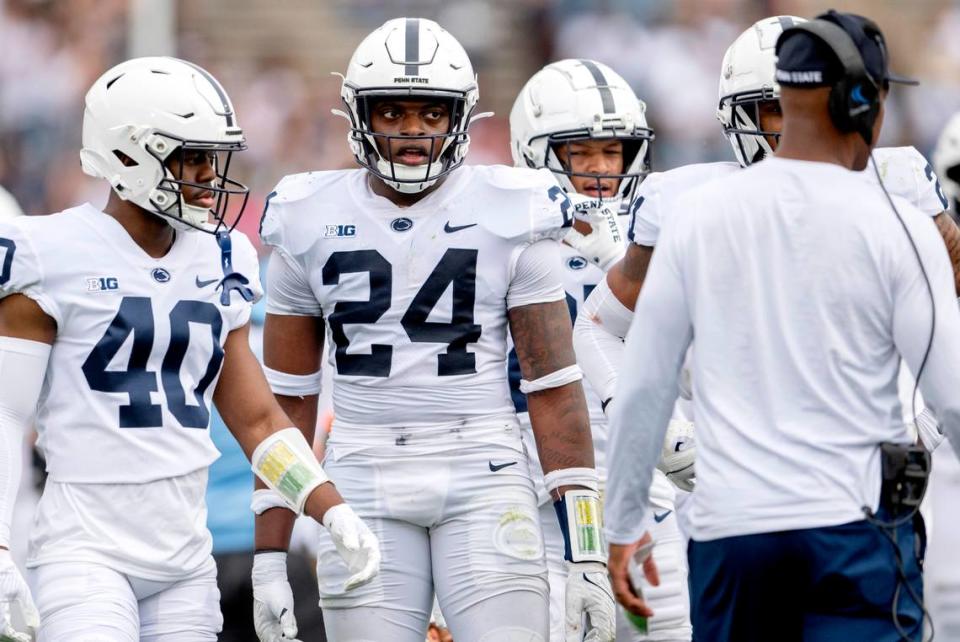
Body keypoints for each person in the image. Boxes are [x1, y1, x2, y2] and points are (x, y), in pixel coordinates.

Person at [256, 18, 620, 642]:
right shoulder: (304, 217)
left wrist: (585, 550)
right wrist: (269, 555)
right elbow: (286, 403)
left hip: (483, 466)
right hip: (360, 475)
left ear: (462, 117)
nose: (413, 131)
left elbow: (554, 387)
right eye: (392, 113)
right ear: (358, 116)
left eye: (431, 113)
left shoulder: (515, 208)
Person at [603, 10, 960, 641]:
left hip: (731, 529)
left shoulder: (693, 215)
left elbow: (643, 386)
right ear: (859, 103)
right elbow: (952, 396)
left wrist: (623, 520)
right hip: (854, 525)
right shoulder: (898, 221)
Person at [0, 57, 379, 642]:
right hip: (85, 550)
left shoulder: (220, 256)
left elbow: (256, 420)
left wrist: (330, 508)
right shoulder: (47, 252)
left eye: (211, 156)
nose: (208, 174)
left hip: (185, 556)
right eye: (189, 156)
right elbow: (5, 416)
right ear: (126, 153)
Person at [509, 59, 691, 642]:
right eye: (580, 152)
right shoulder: (506, 245)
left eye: (612, 153)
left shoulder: (655, 243)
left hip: (646, 491)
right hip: (541, 501)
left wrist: (619, 261)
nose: (598, 171)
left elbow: (682, 359)